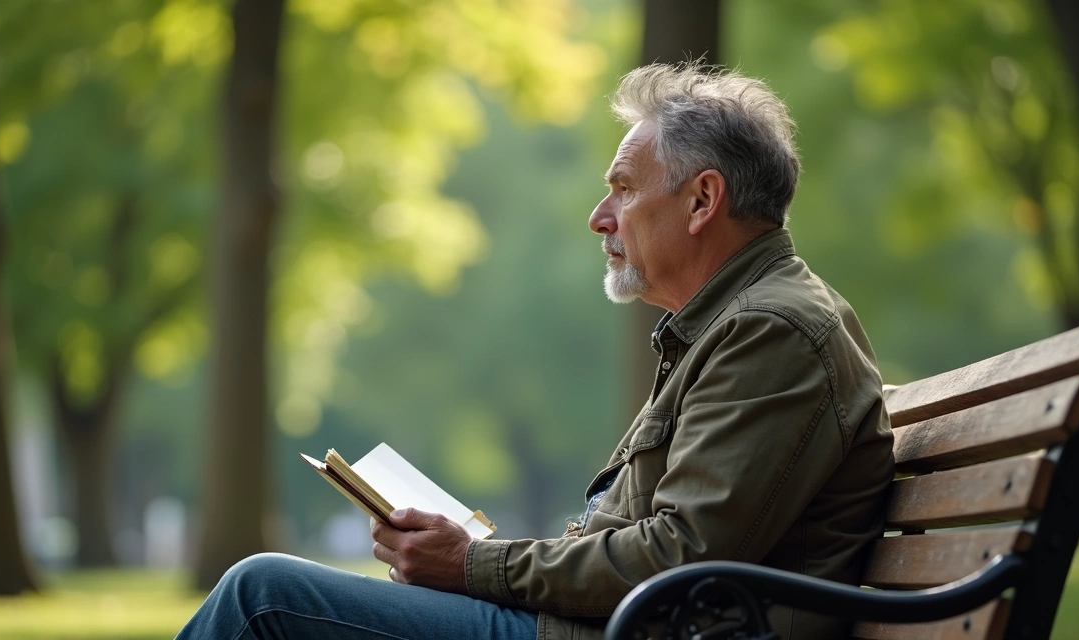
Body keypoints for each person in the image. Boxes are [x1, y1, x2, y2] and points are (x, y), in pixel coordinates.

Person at [176, 62, 894, 640]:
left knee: (262, 595)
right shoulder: (740, 323)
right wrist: (472, 559)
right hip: (602, 623)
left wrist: (473, 565)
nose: (599, 217)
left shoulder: (772, 330)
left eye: (622, 189)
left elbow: (684, 556)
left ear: (703, 202)